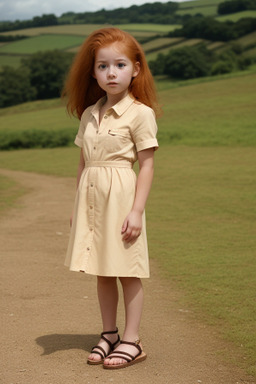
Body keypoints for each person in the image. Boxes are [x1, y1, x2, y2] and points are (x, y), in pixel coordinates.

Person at [62, 27, 160, 370]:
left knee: (127, 271)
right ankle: (110, 334)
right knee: (102, 270)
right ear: (93, 72)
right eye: (103, 66)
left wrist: (136, 211)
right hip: (91, 198)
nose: (111, 72)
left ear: (135, 68)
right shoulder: (90, 113)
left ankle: (132, 341)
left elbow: (146, 165)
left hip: (121, 199)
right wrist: (76, 204)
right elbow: (83, 162)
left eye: (119, 65)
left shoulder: (140, 113)